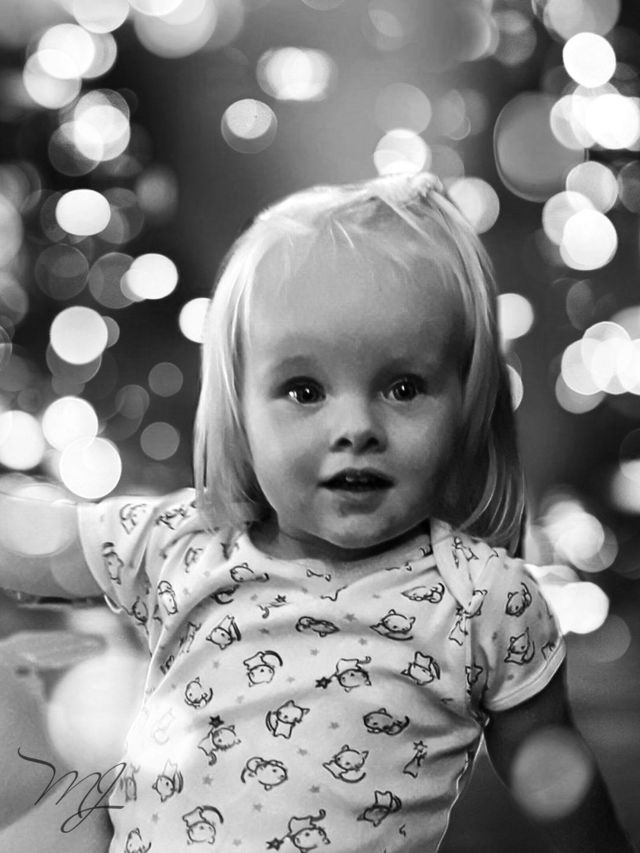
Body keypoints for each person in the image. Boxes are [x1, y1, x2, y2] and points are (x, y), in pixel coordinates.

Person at [0, 172, 634, 852]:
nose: (355, 428)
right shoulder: (183, 543)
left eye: (403, 387)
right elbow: (30, 542)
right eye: (304, 390)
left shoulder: (483, 598)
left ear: (467, 403)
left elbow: (560, 786)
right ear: (240, 412)